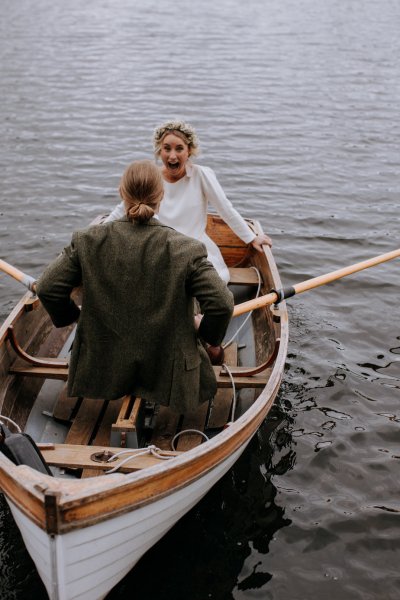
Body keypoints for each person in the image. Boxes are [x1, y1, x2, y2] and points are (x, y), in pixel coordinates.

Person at [36, 160, 234, 414]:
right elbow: (222, 303)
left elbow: (47, 288)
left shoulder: (87, 240)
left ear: (122, 193)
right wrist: (206, 334)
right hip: (166, 371)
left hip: (101, 365)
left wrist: (77, 317)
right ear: (160, 196)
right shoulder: (186, 248)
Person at [104, 120, 272, 283]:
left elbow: (225, 209)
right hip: (158, 248)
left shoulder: (201, 175)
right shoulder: (152, 177)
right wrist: (95, 233)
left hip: (195, 247)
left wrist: (251, 238)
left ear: (189, 151)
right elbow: (124, 207)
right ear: (159, 151)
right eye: (166, 149)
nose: (172, 156)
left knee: (213, 280)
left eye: (179, 149)